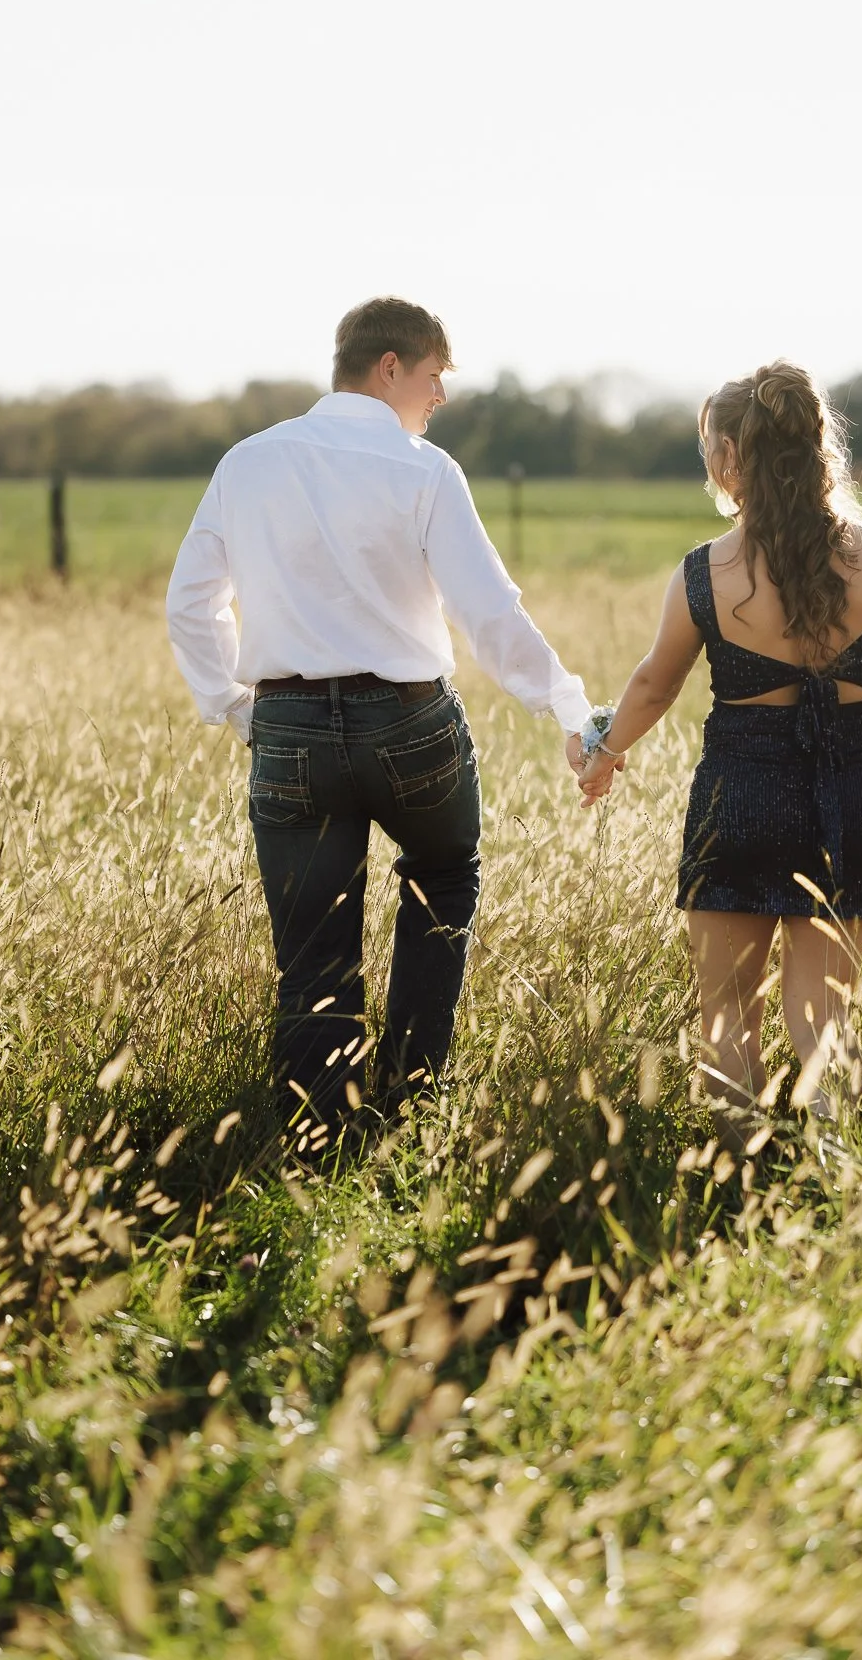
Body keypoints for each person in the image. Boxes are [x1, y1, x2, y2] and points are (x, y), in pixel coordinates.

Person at [166, 297, 600, 1158]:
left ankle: (315, 1144)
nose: (441, 395)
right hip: (409, 725)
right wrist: (566, 708)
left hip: (286, 727)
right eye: (436, 374)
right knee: (443, 882)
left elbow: (190, 603)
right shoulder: (423, 469)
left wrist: (236, 707)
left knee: (312, 950)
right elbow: (488, 613)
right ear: (389, 366)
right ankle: (408, 1106)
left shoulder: (248, 463)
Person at [576, 361, 862, 1148]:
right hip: (844, 803)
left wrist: (602, 752)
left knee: (727, 1012)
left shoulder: (706, 569)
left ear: (732, 457)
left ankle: (738, 1171)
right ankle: (833, 1169)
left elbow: (652, 685)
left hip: (736, 800)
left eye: (709, 444)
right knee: (824, 1015)